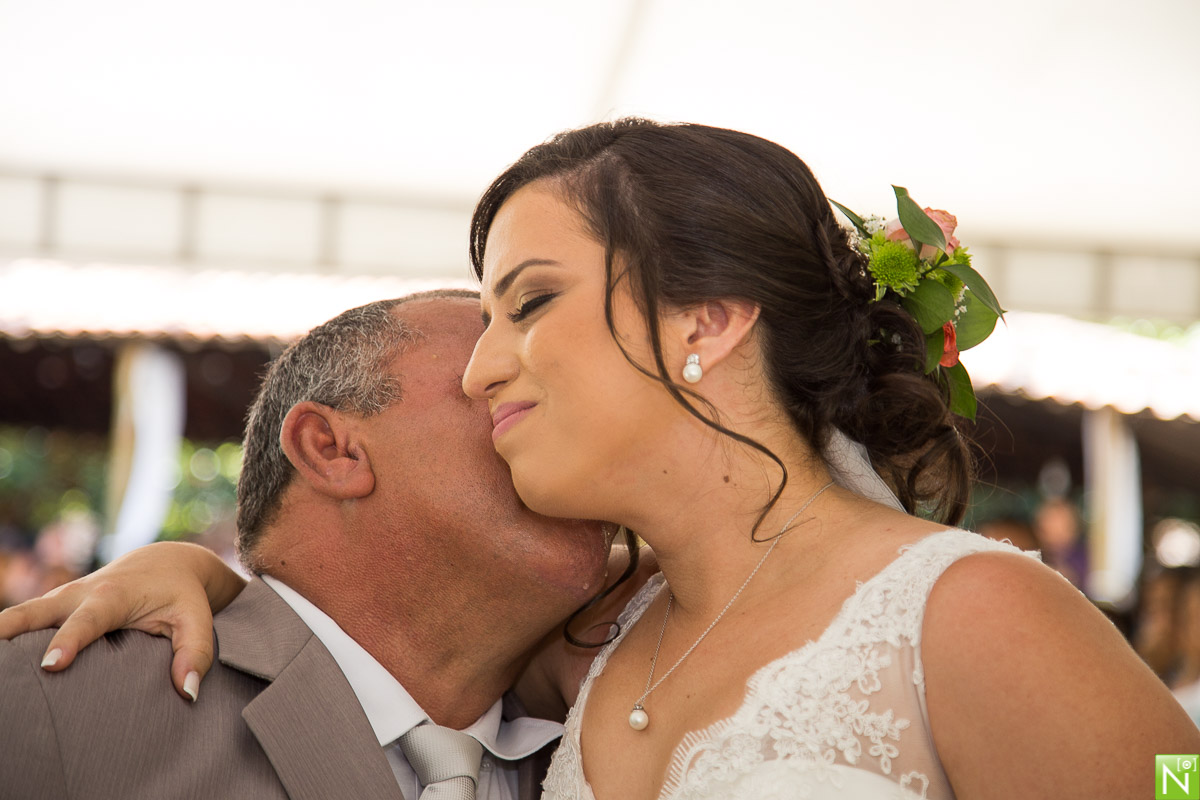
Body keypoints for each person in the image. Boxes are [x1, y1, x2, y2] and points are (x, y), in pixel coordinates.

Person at [6, 120, 1198, 798]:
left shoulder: (965, 607)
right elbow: (356, 633)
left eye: (529, 303)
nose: (487, 366)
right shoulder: (592, 644)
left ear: (706, 319)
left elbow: (1170, 778)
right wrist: (201, 569)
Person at [0, 290, 630, 799]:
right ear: (330, 449)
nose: (575, 430)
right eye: (499, 387)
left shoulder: (622, 723)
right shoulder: (55, 700)